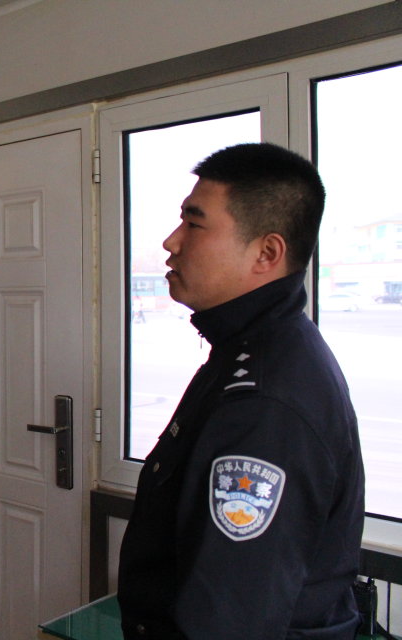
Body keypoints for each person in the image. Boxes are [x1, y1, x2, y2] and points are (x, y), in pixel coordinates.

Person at [117, 143, 364, 639]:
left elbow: (228, 619)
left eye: (194, 224)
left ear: (266, 253)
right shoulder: (249, 349)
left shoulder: (264, 401)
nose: (171, 242)